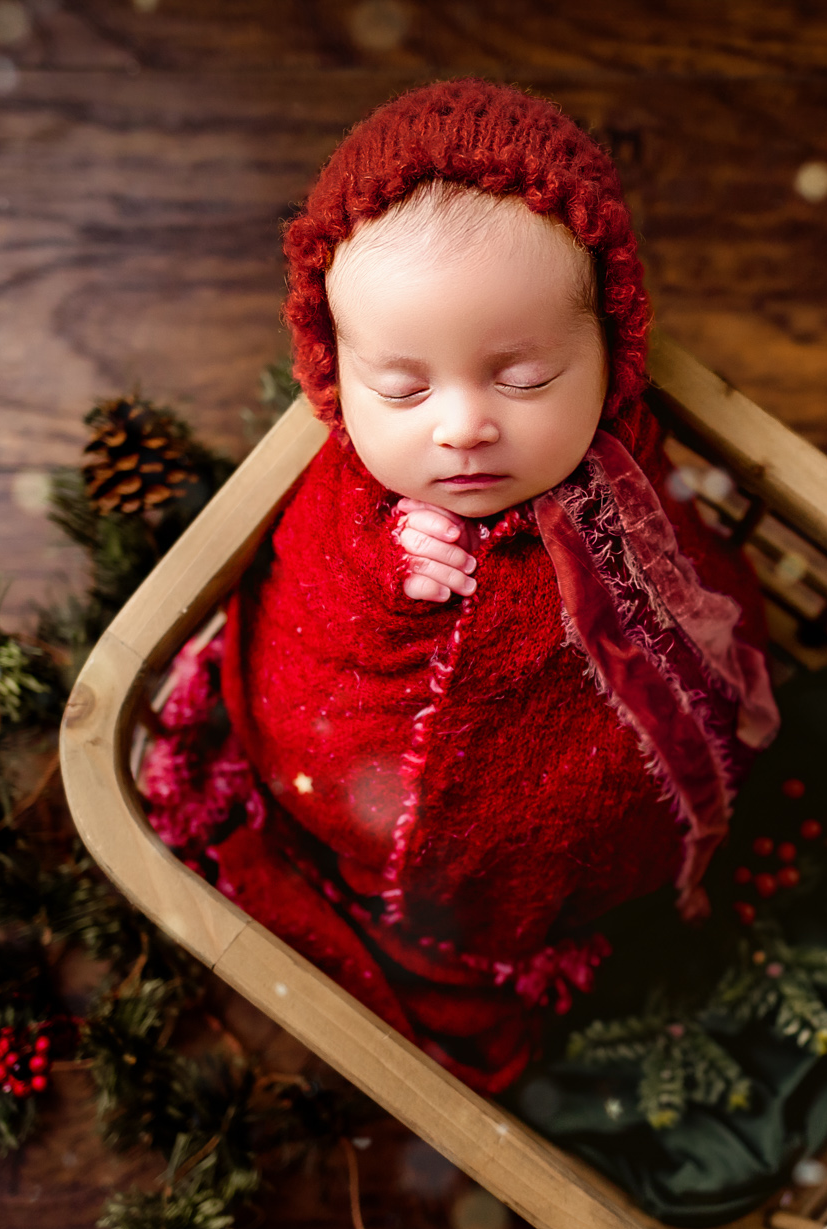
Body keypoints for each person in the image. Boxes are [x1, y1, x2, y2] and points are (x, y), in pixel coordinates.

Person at [139, 77, 780, 1096]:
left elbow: (698, 593)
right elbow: (300, 626)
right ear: (332, 371)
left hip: (581, 868)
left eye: (522, 378)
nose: (461, 427)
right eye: (401, 387)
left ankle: (574, 895)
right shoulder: (341, 501)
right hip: (350, 786)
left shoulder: (630, 481)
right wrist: (382, 574)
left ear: (611, 350)